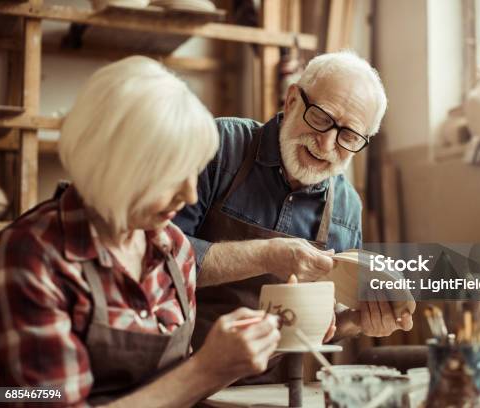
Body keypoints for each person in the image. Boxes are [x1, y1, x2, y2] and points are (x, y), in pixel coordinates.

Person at [0, 56, 280, 407]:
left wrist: (232, 361)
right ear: (112, 165)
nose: (190, 195)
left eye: (194, 172)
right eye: (172, 176)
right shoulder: (32, 255)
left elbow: (176, 389)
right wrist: (205, 370)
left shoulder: (173, 249)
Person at [174, 51, 415, 384]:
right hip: (183, 381)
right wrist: (267, 255)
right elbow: (158, 262)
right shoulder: (220, 147)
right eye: (321, 117)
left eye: (349, 136)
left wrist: (356, 321)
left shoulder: (347, 209)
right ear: (291, 102)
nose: (327, 143)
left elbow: (320, 328)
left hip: (276, 392)